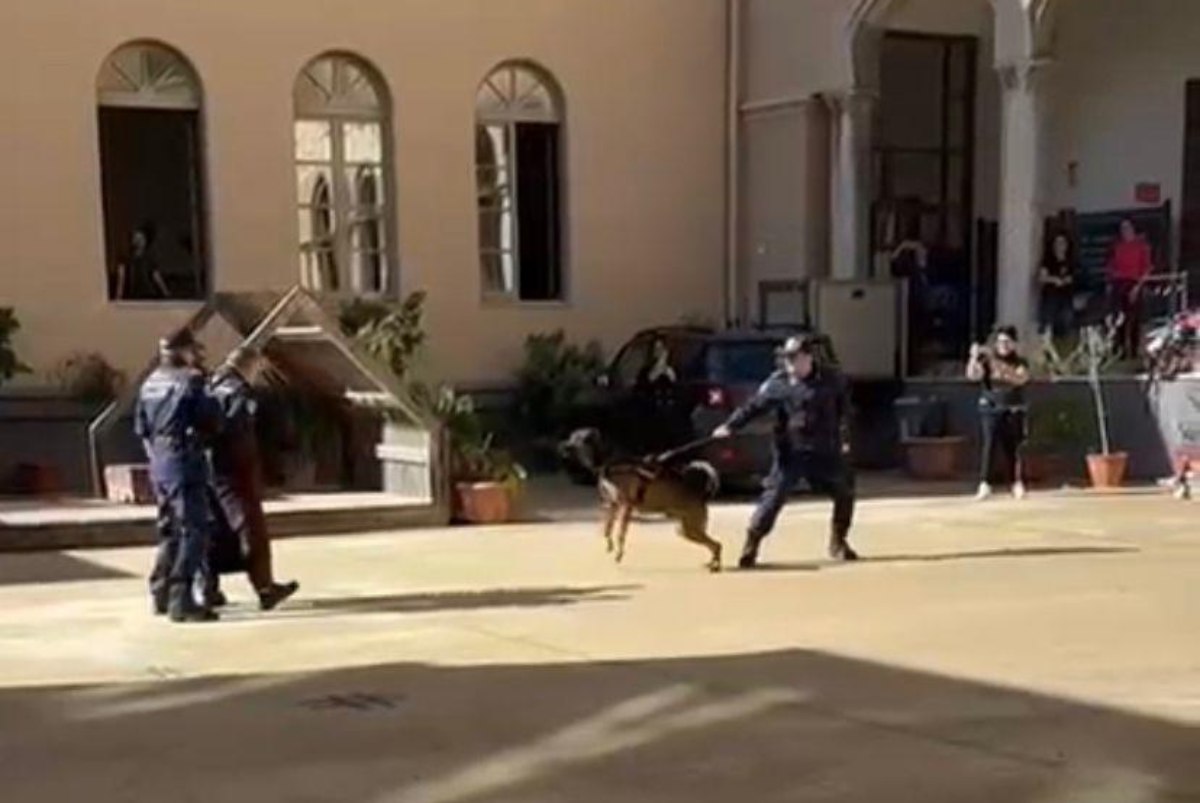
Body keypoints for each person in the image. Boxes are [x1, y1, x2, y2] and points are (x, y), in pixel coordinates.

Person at [712, 334, 858, 569]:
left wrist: (845, 439)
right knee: (773, 498)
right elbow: (753, 407)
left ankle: (838, 541)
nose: (791, 364)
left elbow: (845, 412)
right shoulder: (777, 383)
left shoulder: (832, 380)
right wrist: (730, 426)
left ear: (809, 358)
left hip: (825, 449)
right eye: (787, 359)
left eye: (796, 358)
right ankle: (751, 546)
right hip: (791, 452)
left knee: (844, 491)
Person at [204, 346, 300, 611]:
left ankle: (208, 588)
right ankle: (265, 588)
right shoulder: (239, 392)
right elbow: (240, 430)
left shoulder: (211, 384)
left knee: (214, 529)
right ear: (250, 366)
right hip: (234, 469)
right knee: (251, 528)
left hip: (208, 468)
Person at [135, 329, 221, 623]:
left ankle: (159, 590)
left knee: (169, 528)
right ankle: (180, 597)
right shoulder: (191, 380)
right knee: (194, 528)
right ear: (184, 351)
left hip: (158, 461)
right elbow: (211, 420)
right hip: (184, 459)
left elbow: (141, 428)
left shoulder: (149, 383)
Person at [966, 325, 1030, 501]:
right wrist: (973, 358)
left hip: (1013, 409)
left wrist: (1000, 367)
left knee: (1013, 448)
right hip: (990, 408)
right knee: (989, 446)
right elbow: (973, 376)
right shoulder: (986, 360)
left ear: (1014, 344)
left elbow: (1020, 378)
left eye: (1007, 341)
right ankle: (985, 484)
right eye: (1000, 341)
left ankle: (1016, 484)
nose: (1003, 345)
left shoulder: (1020, 361)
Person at [1107, 218, 1154, 357]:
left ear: (1133, 229)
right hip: (1119, 282)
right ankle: (1119, 349)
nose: (1125, 231)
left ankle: (1133, 349)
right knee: (1119, 318)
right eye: (1123, 228)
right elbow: (1111, 267)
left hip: (1135, 283)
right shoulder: (1117, 246)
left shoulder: (1142, 246)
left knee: (1134, 319)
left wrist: (1137, 287)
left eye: (1128, 228)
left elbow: (1147, 269)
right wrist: (1111, 281)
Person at [635, 336, 684, 452]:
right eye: (656, 349)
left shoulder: (673, 369)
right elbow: (644, 385)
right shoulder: (647, 371)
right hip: (652, 417)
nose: (658, 352)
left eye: (661, 349)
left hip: (671, 416)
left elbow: (680, 389)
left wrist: (672, 377)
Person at [115, 224, 171, 301]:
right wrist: (118, 296)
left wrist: (166, 293)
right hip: (132, 296)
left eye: (141, 239)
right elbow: (121, 277)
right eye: (136, 238)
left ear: (145, 241)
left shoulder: (149, 259)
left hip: (148, 295)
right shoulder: (126, 259)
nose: (138, 242)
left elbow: (156, 276)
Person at [1038, 232, 1076, 338]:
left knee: (1066, 320)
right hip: (1051, 297)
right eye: (1058, 243)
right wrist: (1054, 279)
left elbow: (1077, 276)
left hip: (1066, 297)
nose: (1060, 246)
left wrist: (1069, 280)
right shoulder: (1048, 260)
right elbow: (1041, 277)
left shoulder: (1071, 261)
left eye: (1062, 242)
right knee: (1047, 324)